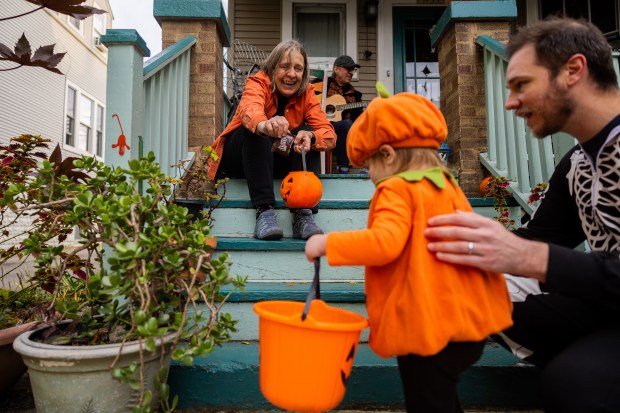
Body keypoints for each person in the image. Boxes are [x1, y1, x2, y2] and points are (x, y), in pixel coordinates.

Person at [424, 17, 620, 413]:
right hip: (607, 305)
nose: (510, 102)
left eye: (521, 85)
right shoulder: (579, 163)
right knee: (471, 287)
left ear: (573, 70)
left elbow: (535, 255)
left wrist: (527, 256)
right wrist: (465, 247)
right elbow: (541, 239)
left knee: (573, 383)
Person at [305, 91, 513, 413]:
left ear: (387, 155)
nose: (370, 176)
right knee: (441, 400)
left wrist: (327, 243)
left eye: (368, 166)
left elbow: (384, 242)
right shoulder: (445, 184)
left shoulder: (395, 188)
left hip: (426, 330)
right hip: (466, 326)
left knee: (427, 403)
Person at [207, 40, 336, 241]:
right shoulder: (258, 82)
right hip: (241, 159)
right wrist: (265, 125)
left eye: (298, 68)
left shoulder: (308, 93)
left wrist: (311, 136)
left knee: (307, 134)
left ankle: (303, 214)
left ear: (303, 73)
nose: (291, 74)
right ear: (272, 67)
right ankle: (264, 212)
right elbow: (249, 110)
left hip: (275, 160)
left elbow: (328, 134)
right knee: (255, 131)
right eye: (284, 66)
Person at [326, 55, 364, 173]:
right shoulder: (322, 85)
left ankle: (347, 167)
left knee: (351, 125)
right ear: (336, 69)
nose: (351, 73)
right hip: (322, 125)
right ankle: (343, 165)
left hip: (344, 128)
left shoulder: (355, 95)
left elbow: (357, 119)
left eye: (352, 70)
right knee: (346, 124)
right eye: (347, 69)